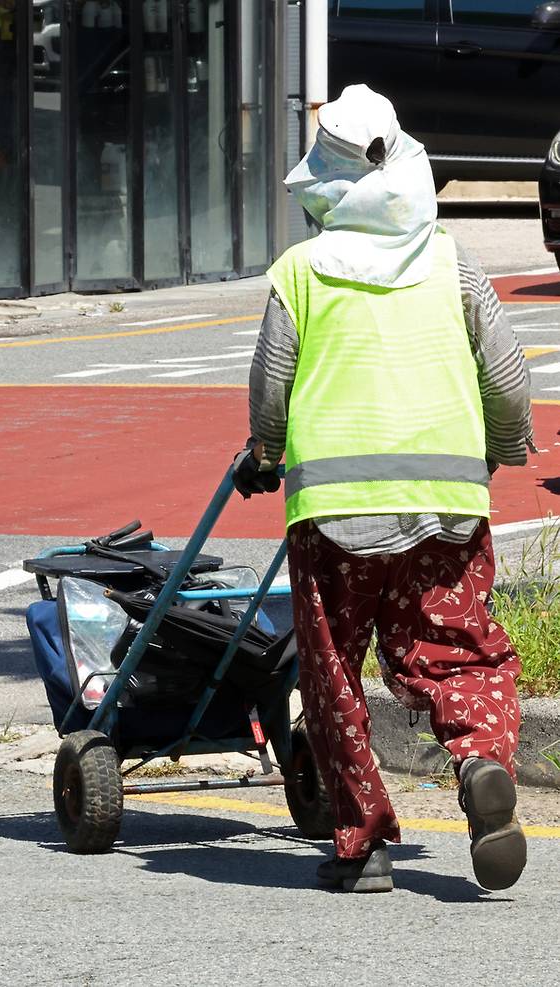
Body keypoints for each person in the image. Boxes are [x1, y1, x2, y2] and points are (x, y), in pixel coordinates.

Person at [236, 84, 533, 894]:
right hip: (446, 503)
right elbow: (506, 378)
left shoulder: (299, 272)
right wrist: (502, 451)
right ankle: (478, 760)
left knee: (332, 670)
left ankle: (364, 843)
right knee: (458, 646)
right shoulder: (453, 261)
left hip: (335, 514)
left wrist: (266, 451)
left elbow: (271, 388)